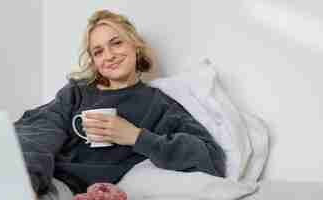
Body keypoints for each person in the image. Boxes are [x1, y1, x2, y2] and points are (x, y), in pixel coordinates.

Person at [15, 9, 226, 198]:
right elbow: (41, 129)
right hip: (47, 180)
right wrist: (28, 182)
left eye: (116, 43)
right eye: (98, 51)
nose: (109, 56)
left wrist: (135, 136)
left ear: (135, 44)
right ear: (94, 62)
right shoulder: (76, 92)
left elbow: (211, 159)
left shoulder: (158, 104)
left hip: (83, 192)